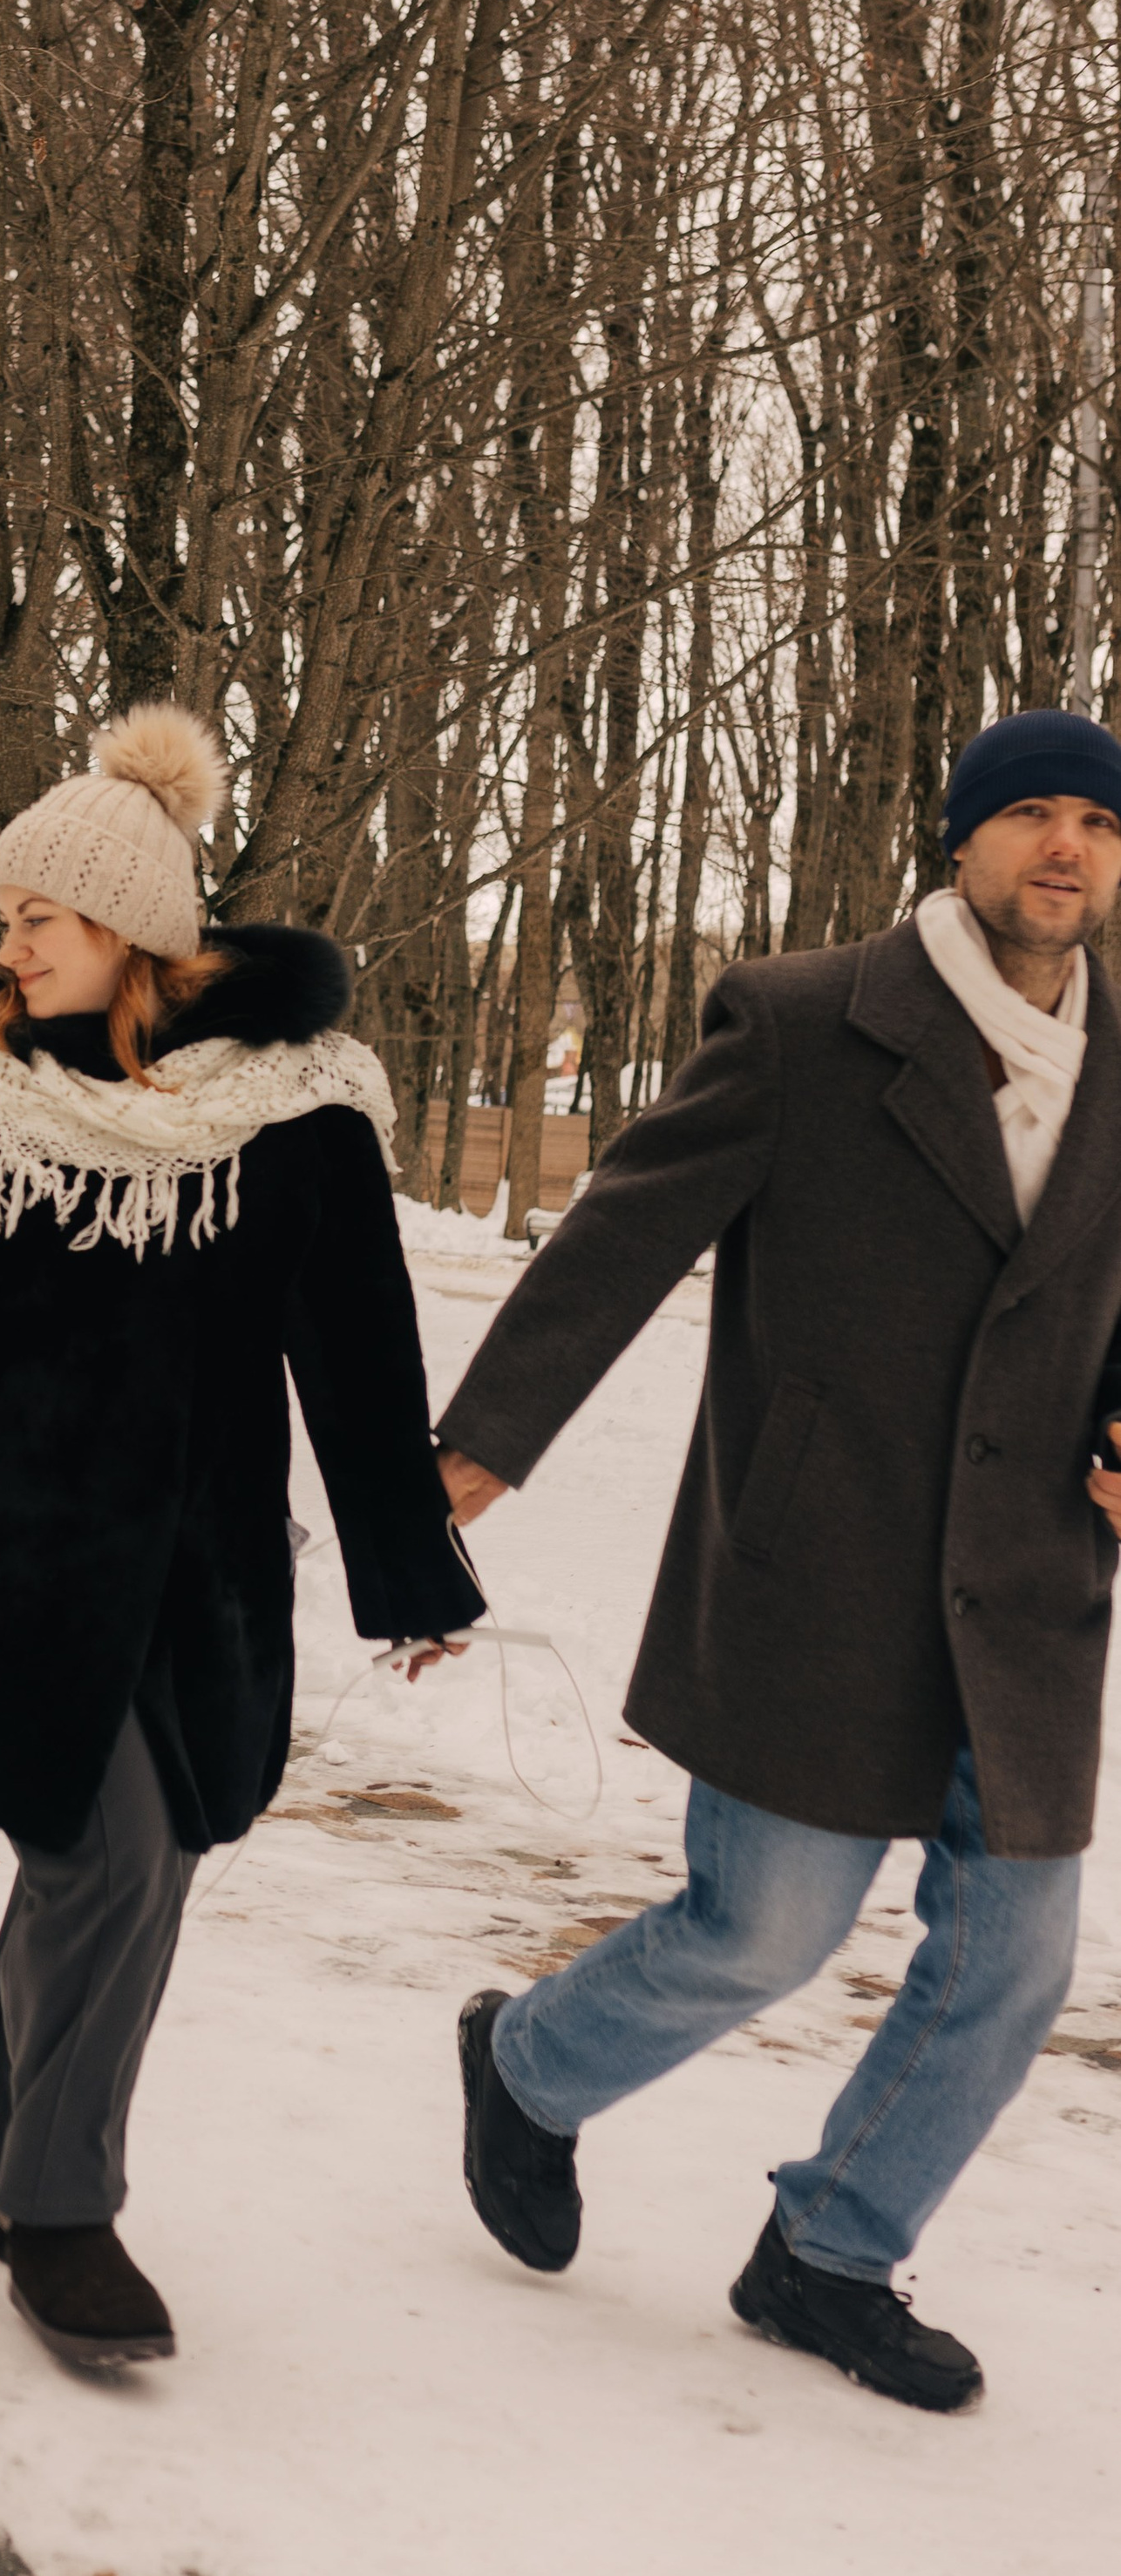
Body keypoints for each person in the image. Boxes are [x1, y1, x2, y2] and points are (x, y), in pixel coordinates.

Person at [0, 703, 482, 2369]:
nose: (8, 944)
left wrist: (410, 1569)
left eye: (41, 916)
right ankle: (56, 2204)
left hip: (202, 1571)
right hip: (19, 1556)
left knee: (152, 1854)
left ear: (137, 933)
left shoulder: (297, 1115)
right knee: (113, 1857)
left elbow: (363, 1367)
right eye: (6, 916)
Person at [439, 708, 1121, 2411]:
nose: (1064, 848)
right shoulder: (808, 1024)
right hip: (816, 1568)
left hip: (1027, 1588)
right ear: (956, 840)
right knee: (763, 1933)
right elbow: (618, 1235)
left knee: (1014, 1964)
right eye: (1028, 814)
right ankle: (525, 2066)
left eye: (1095, 825)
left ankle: (827, 2250)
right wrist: (462, 1463)